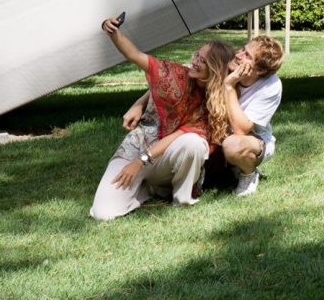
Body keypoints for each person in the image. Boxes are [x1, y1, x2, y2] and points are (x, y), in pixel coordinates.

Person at [88, 16, 234, 221]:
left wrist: (141, 161)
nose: (194, 61)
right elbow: (136, 55)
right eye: (196, 55)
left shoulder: (215, 104)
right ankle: (144, 189)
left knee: (193, 143)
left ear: (215, 68)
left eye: (202, 60)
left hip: (162, 156)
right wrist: (112, 32)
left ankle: (180, 199)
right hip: (137, 147)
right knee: (104, 213)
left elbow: (179, 136)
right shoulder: (178, 75)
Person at [214, 35, 285, 197]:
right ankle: (229, 168)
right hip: (218, 134)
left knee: (233, 146)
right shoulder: (225, 64)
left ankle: (248, 173)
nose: (238, 55)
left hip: (251, 140)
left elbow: (241, 129)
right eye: (242, 50)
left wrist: (229, 86)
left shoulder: (271, 86)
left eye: (247, 56)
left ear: (260, 70)